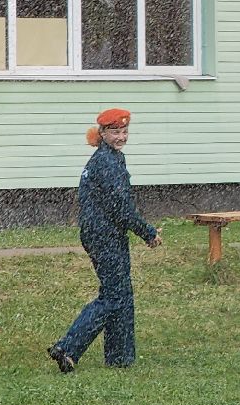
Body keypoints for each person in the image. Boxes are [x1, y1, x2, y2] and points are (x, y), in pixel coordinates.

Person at [49, 108, 161, 372]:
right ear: (102, 133)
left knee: (121, 294)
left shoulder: (110, 158)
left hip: (104, 233)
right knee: (113, 297)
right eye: (115, 132)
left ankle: (120, 357)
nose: (121, 136)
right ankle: (68, 347)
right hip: (104, 236)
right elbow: (121, 208)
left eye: (124, 131)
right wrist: (148, 233)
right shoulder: (107, 163)